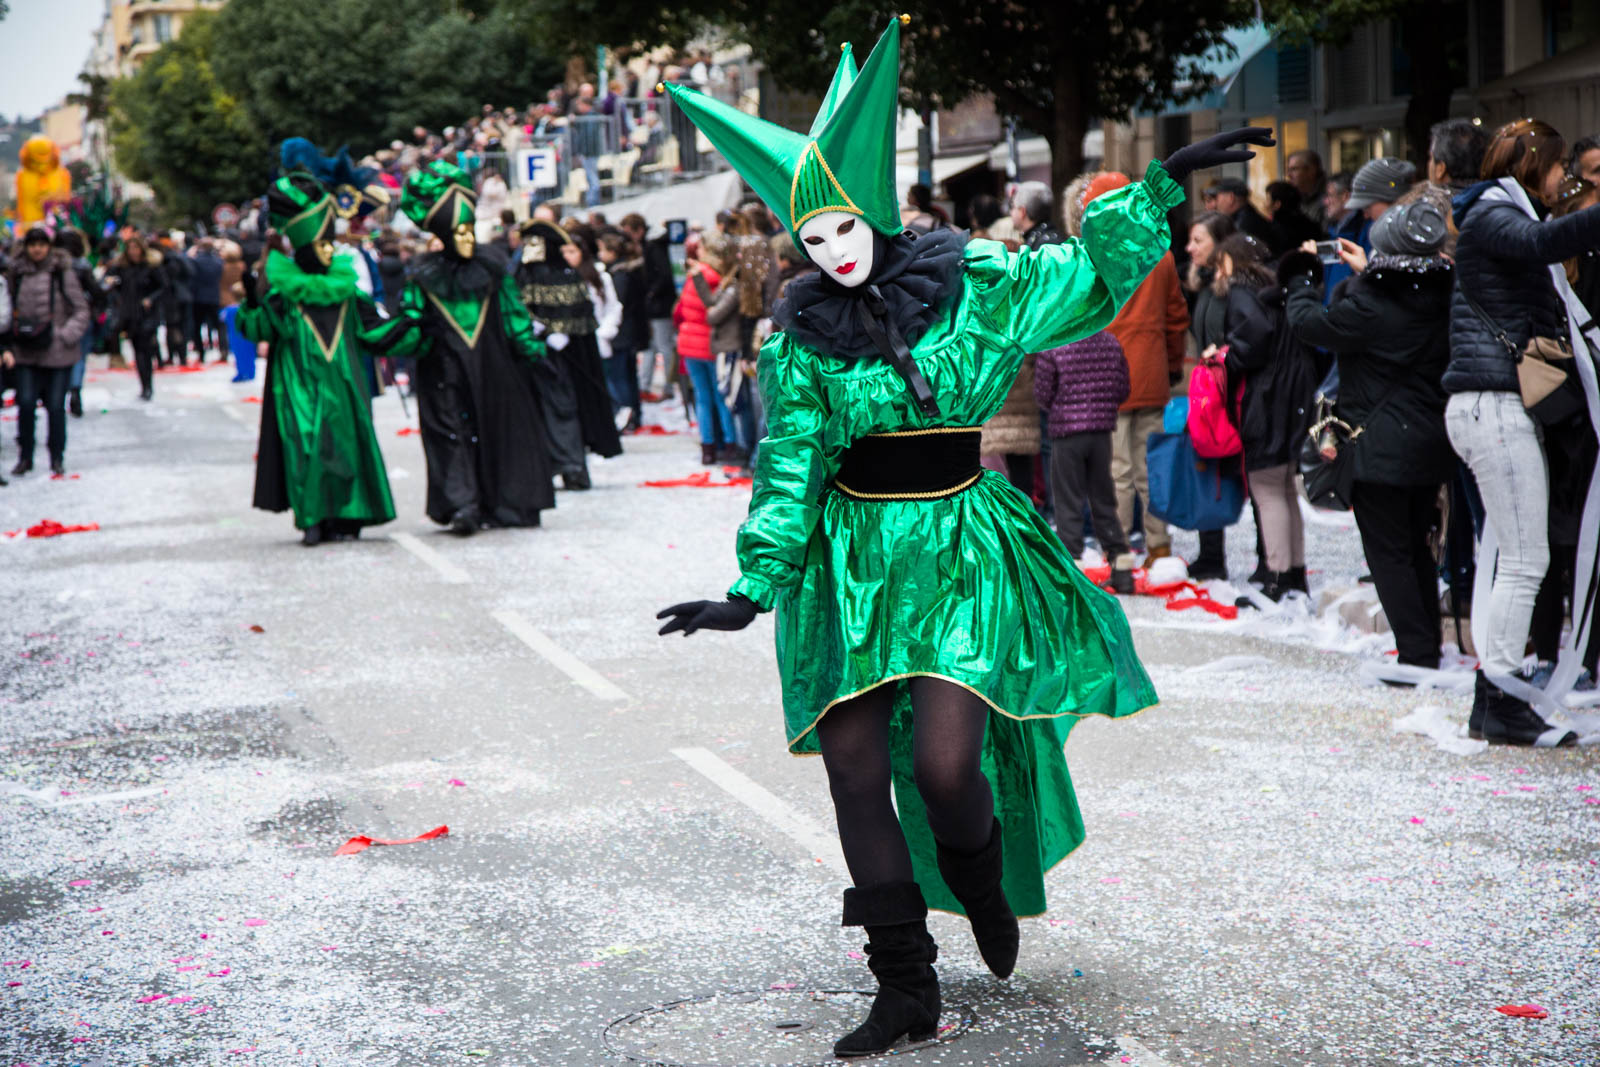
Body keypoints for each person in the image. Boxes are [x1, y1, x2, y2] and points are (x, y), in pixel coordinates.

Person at [653, 17, 1271, 1057]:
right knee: (854, 765)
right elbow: (791, 461)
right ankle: (904, 984)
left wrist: (1154, 184)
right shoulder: (800, 335)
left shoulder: (974, 284)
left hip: (958, 549)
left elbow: (1086, 278)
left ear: (879, 214)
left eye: (844, 229)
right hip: (844, 563)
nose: (832, 254)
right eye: (812, 241)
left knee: (945, 767)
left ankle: (981, 884)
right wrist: (753, 585)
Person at [1444, 117, 1600, 746]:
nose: (1566, 178)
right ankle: (1503, 696)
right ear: (1537, 164)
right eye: (1563, 166)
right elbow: (1543, 244)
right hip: (1492, 405)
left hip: (1495, 407)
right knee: (1525, 559)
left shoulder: (1494, 211)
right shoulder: (1488, 211)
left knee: (1512, 556)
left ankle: (1495, 700)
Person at [1284, 194, 1457, 668]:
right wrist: (1370, 272)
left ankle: (1418, 654)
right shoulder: (1448, 294)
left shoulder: (1370, 305)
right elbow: (1403, 300)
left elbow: (1308, 323)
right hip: (1430, 441)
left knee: (1388, 554)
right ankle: (1426, 648)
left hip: (1380, 445)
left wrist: (1302, 278)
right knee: (1419, 548)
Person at [384, 160, 555, 532]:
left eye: (468, 229)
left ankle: (506, 501)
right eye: (456, 231)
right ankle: (463, 504)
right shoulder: (423, 279)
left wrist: (534, 351)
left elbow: (514, 317)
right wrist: (400, 335)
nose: (465, 238)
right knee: (451, 435)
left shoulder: (492, 270)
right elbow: (410, 329)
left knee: (500, 427)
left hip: (494, 365)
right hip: (443, 370)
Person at [237, 173, 396, 546]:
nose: (328, 250)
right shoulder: (286, 293)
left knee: (346, 448)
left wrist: (416, 327)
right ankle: (313, 518)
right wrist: (252, 300)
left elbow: (375, 329)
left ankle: (349, 516)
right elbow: (260, 328)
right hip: (299, 385)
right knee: (306, 447)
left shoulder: (348, 293)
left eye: (329, 243)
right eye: (321, 244)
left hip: (345, 387)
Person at [1076, 173, 1189, 562]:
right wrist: (1172, 366)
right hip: (1152, 374)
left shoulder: (1095, 253)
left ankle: (1119, 549)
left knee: (1118, 472)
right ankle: (1159, 545)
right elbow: (1177, 318)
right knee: (1151, 467)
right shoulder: (1161, 252)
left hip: (1106, 381)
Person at [1210, 233, 1316, 601]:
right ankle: (1295, 576)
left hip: (1268, 399)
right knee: (1285, 488)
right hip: (1292, 393)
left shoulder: (1241, 293)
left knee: (1268, 488)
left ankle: (1276, 579)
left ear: (1231, 263)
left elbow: (1253, 341)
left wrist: (1226, 357)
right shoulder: (1277, 290)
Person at [514, 219, 624, 489]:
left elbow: (581, 314)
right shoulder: (523, 275)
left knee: (563, 409)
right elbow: (516, 308)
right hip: (533, 356)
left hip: (564, 360)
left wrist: (562, 332)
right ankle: (549, 466)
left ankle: (572, 465)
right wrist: (537, 329)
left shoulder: (567, 274)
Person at [1033, 329, 1134, 590]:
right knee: (1103, 500)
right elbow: (1122, 388)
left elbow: (1042, 393)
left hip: (1066, 433)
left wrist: (1062, 409)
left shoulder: (1055, 341)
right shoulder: (1111, 342)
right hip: (1101, 433)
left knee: (1068, 502)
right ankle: (1122, 568)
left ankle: (1072, 571)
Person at [3, 225, 88, 477]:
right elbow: (6, 311)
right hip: (26, 350)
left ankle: (56, 457)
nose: (37, 249)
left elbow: (81, 309)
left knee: (55, 406)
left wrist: (65, 335)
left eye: (42, 244)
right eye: (33, 244)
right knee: (26, 404)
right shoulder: (15, 274)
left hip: (57, 351)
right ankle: (25, 456)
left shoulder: (62, 272)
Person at [1182, 210, 1238, 580]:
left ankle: (1273, 563)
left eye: (1198, 240)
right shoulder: (1202, 285)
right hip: (1209, 392)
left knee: (1243, 475)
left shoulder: (1235, 287)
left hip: (1233, 391)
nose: (1190, 248)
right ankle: (1211, 553)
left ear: (1220, 244)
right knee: (1208, 470)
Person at [672, 242, 740, 464]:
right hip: (710, 344)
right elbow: (712, 313)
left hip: (689, 344)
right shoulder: (718, 280)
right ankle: (730, 445)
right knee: (721, 397)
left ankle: (707, 448)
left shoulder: (696, 277)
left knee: (702, 398)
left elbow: (681, 310)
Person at [105, 235, 167, 400]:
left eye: (136, 248)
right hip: (129, 314)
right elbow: (108, 282)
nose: (133, 252)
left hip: (147, 314)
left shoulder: (151, 267)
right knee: (138, 351)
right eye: (130, 248)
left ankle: (148, 385)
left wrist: (150, 299)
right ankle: (144, 385)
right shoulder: (121, 267)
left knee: (145, 350)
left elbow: (163, 286)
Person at [599, 231, 647, 431]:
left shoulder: (619, 275)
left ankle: (627, 414)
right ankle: (632, 413)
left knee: (620, 377)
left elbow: (619, 304)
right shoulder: (626, 271)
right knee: (626, 376)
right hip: (628, 330)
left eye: (602, 249)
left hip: (622, 333)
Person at [53, 228, 101, 418]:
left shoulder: (51, 264)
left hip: (57, 317)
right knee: (79, 356)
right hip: (80, 317)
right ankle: (74, 389)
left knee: (57, 355)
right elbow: (95, 292)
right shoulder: (82, 265)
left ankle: (60, 392)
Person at [1211, 176, 1283, 255]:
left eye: (1217, 197)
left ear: (1231, 198)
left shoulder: (1244, 223)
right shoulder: (1245, 216)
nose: (1215, 203)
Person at [1428, 118, 1489, 195]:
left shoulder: (1430, 205)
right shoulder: (1499, 198)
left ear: (1441, 169)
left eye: (1430, 158)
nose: (1429, 164)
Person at [188, 239, 225, 362]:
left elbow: (192, 278)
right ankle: (223, 349)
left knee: (197, 326)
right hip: (214, 296)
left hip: (199, 297)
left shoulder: (196, 261)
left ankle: (201, 352)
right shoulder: (218, 261)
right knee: (218, 325)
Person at [1266, 179, 1323, 249]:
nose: (1265, 204)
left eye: (1268, 199)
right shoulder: (1310, 225)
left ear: (1277, 204)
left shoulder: (1275, 230)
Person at [1009, 181, 1062, 248]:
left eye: (1013, 207)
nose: (1011, 212)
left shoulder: (1043, 246)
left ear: (1022, 211)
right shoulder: (1045, 239)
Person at [1285, 149, 1328, 230]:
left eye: (1294, 169)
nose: (1289, 175)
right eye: (1288, 170)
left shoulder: (1329, 196)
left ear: (1311, 170)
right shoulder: (1295, 197)